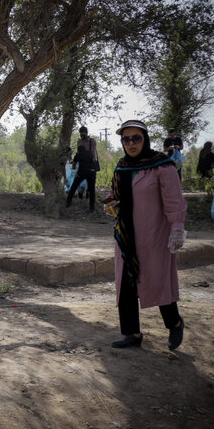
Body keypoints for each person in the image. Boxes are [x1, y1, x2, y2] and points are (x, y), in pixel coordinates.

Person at [102, 119, 186, 350]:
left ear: (145, 139)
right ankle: (132, 333)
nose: (131, 144)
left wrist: (177, 228)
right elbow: (113, 194)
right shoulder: (122, 167)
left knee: (158, 281)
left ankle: (175, 323)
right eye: (126, 139)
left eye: (136, 138)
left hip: (154, 237)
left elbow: (174, 201)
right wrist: (110, 204)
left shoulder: (162, 166)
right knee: (126, 285)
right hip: (126, 237)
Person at [66, 126, 99, 212]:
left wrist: (80, 158)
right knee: (75, 186)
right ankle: (68, 203)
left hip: (90, 169)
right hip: (82, 169)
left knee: (91, 189)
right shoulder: (79, 142)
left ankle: (92, 208)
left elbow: (93, 155)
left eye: (83, 134)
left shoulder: (92, 141)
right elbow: (77, 156)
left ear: (86, 133)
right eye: (80, 134)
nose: (82, 136)